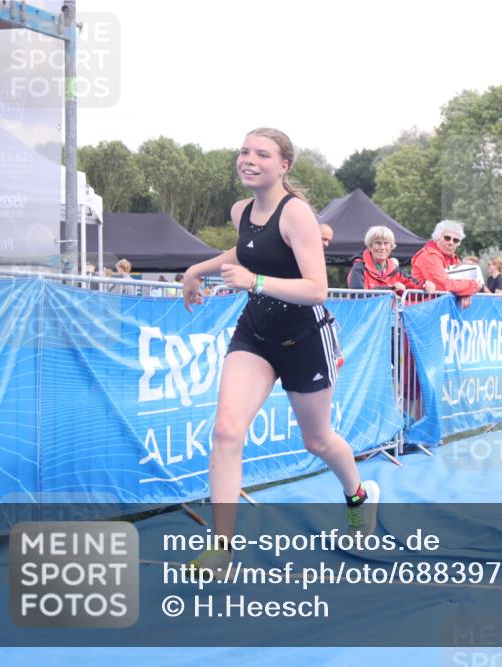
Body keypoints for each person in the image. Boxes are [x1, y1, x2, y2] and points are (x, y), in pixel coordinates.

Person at [181, 127, 379, 573]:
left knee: (317, 440)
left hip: (305, 338)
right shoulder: (241, 211)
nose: (249, 159)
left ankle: (358, 496)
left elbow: (317, 289)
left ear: (284, 165)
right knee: (227, 430)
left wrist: (255, 282)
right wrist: (196, 270)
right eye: (244, 151)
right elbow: (245, 250)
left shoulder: (297, 214)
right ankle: (221, 548)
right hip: (256, 333)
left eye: (262, 154)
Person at [347, 225, 435, 295]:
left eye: (386, 243)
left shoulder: (395, 271)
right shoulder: (359, 268)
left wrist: (425, 285)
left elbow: (414, 287)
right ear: (370, 246)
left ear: (391, 247)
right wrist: (391, 289)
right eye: (378, 243)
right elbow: (359, 295)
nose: (382, 247)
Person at [411, 220, 479, 307]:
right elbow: (443, 285)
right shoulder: (429, 256)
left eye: (455, 240)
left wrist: (466, 292)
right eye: (447, 238)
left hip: (438, 308)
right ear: (437, 238)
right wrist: (472, 287)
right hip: (424, 309)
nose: (451, 242)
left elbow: (464, 280)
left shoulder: (452, 257)